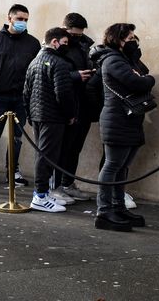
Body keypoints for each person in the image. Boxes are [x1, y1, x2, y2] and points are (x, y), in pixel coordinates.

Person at [92, 23, 155, 232]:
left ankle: (118, 208)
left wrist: (136, 61)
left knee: (123, 166)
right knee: (112, 165)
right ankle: (104, 212)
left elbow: (142, 73)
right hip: (117, 120)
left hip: (129, 119)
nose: (134, 42)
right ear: (118, 40)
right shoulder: (112, 60)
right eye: (130, 39)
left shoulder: (125, 59)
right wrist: (148, 80)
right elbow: (139, 82)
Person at [0, 4, 41, 186]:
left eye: (26, 19)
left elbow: (36, 69)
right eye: (20, 19)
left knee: (17, 137)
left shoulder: (33, 43)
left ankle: (13, 171)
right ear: (10, 18)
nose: (23, 22)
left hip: (21, 98)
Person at [23, 27, 76, 212]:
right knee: (47, 156)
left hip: (38, 115)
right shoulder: (58, 63)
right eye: (65, 43)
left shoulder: (35, 61)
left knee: (42, 154)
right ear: (55, 42)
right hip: (52, 117)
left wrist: (30, 115)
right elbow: (63, 93)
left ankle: (43, 194)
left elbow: (26, 91)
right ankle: (40, 195)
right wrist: (70, 114)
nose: (66, 47)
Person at [52, 12, 100, 202]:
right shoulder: (55, 45)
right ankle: (55, 187)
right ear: (65, 29)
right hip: (66, 104)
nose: (78, 37)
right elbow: (51, 73)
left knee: (75, 148)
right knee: (62, 148)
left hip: (83, 104)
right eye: (74, 34)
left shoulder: (85, 44)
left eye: (81, 34)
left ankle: (67, 184)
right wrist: (75, 76)